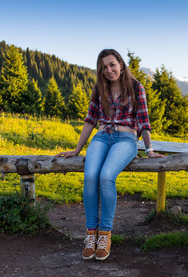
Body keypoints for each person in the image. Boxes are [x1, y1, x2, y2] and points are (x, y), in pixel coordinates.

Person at [56, 49, 164, 261]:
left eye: (112, 65)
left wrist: (149, 149)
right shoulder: (99, 88)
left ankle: (105, 234)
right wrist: (77, 150)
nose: (109, 70)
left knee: (106, 177)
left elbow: (143, 121)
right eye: (104, 67)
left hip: (125, 140)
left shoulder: (136, 87)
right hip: (102, 137)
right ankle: (91, 234)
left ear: (121, 65)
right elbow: (90, 120)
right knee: (90, 177)